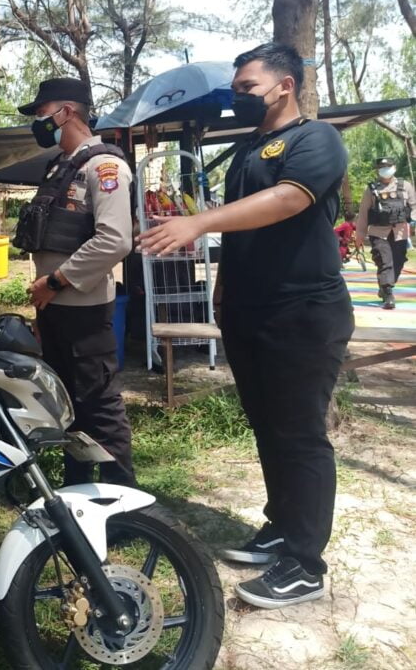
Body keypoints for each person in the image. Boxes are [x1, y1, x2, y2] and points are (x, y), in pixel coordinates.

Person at [140, 42, 354, 610]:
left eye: (247, 88)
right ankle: (282, 527)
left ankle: (305, 565)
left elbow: (287, 200)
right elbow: (242, 234)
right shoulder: (247, 150)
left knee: (300, 435)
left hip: (303, 311)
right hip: (249, 309)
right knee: (268, 426)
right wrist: (222, 290)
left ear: (284, 85)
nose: (238, 98)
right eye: (236, 89)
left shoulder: (317, 140)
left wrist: (197, 222)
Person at [15, 76, 136, 488]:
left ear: (65, 112)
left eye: (41, 113)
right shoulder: (60, 167)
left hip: (83, 309)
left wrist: (57, 280)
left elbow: (115, 240)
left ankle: (122, 497)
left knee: (99, 406)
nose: (38, 121)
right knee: (66, 404)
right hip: (55, 308)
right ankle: (79, 488)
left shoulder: (105, 167)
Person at [355, 156, 416, 309]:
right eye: (382, 168)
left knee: (399, 261)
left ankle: (384, 287)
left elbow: (414, 206)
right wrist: (360, 235)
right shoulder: (371, 189)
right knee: (384, 261)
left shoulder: (405, 185)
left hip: (400, 232)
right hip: (378, 232)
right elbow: (363, 213)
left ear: (394, 168)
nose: (385, 170)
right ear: (377, 170)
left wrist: (414, 220)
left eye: (388, 167)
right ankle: (388, 293)